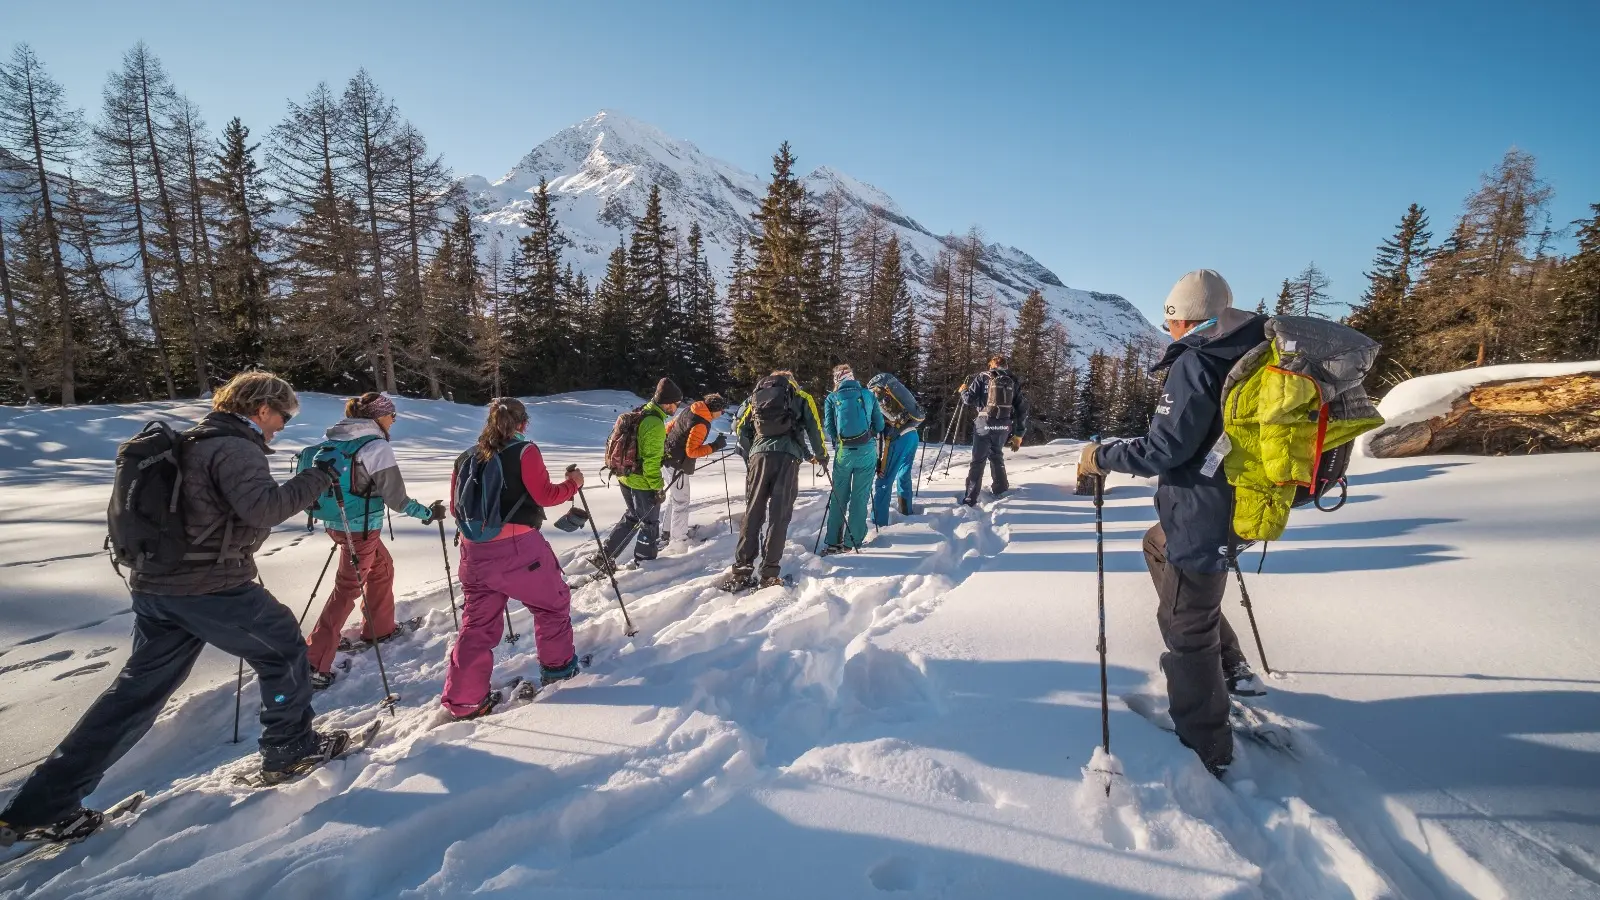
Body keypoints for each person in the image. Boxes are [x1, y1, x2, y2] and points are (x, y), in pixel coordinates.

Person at [0, 373, 341, 843]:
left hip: (157, 588)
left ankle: (41, 805)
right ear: (261, 408)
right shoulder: (234, 446)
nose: (281, 426)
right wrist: (318, 477)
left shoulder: (192, 441)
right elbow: (262, 509)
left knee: (133, 696)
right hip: (209, 587)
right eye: (282, 416)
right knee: (282, 648)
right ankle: (290, 748)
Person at [1077, 269, 1267, 779]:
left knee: (1185, 625)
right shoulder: (1251, 352)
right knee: (1156, 546)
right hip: (1244, 503)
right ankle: (1232, 666)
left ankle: (1207, 746)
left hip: (1203, 512)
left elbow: (1165, 448)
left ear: (1183, 318)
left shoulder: (1199, 359)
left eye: (1172, 323)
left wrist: (1103, 455)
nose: (1171, 334)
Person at [442, 397, 585, 720]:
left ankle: (464, 701)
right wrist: (574, 484)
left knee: (476, 626)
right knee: (552, 604)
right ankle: (559, 670)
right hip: (518, 548)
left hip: (474, 551)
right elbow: (545, 496)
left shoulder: (467, 457)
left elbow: (456, 508)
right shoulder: (525, 451)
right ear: (524, 423)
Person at [300, 392, 445, 691]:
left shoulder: (336, 439)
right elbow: (396, 498)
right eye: (391, 414)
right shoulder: (375, 445)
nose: (394, 420)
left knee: (382, 568)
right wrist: (427, 513)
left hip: (336, 523)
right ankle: (313, 663)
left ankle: (380, 629)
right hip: (360, 528)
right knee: (347, 590)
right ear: (377, 416)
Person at [720, 370, 827, 591]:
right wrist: (821, 455)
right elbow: (814, 428)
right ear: (791, 381)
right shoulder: (800, 397)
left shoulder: (756, 396)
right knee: (779, 514)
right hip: (787, 459)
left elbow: (741, 429)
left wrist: (752, 454)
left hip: (759, 457)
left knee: (753, 511)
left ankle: (741, 570)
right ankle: (769, 573)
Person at [594, 378, 681, 571]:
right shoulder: (655, 423)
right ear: (667, 403)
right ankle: (645, 564)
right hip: (641, 481)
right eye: (676, 403)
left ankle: (605, 555)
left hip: (624, 475)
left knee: (633, 516)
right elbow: (650, 463)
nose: (677, 408)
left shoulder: (641, 411)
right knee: (649, 523)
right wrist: (658, 487)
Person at [821, 364, 884, 553]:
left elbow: (829, 428)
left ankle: (833, 540)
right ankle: (852, 542)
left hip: (844, 453)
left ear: (837, 380)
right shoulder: (868, 394)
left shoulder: (832, 398)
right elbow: (880, 424)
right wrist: (869, 434)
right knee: (860, 496)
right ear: (851, 376)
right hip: (866, 452)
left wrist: (840, 441)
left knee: (839, 495)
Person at [661, 393, 730, 553]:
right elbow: (692, 452)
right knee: (682, 502)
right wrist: (714, 446)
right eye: (722, 411)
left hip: (667, 458)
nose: (723, 414)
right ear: (715, 409)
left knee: (675, 498)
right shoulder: (702, 422)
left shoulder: (690, 409)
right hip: (677, 464)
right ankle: (678, 540)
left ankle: (668, 532)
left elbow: (669, 427)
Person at [959, 355, 1028, 506]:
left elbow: (968, 399)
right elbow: (1022, 409)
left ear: (991, 365)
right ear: (1006, 366)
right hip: (1003, 425)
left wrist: (963, 391)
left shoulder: (982, 377)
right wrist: (1018, 434)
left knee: (978, 461)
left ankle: (971, 497)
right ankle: (1001, 489)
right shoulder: (1013, 381)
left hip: (984, 423)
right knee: (996, 455)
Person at [867, 371, 926, 524]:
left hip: (897, 437)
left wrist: (879, 463)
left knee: (883, 481)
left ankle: (878, 523)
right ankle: (906, 511)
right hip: (912, 434)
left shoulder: (876, 397)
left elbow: (879, 431)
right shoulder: (895, 390)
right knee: (904, 474)